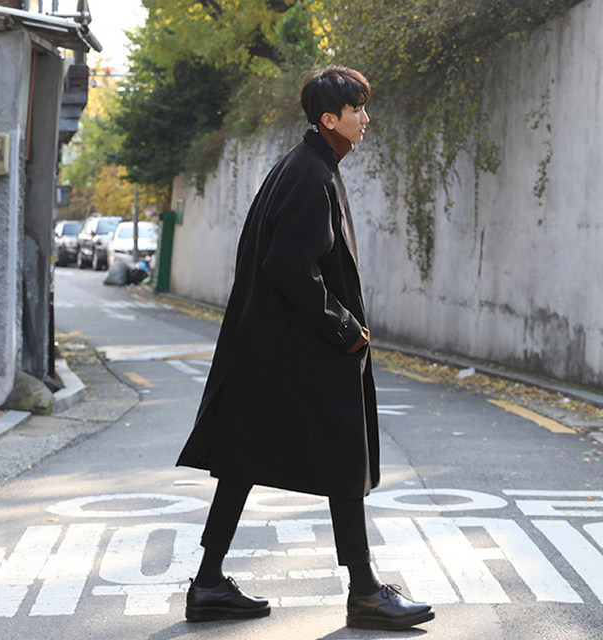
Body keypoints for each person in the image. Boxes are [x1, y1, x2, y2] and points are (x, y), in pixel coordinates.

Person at [176, 65, 434, 631]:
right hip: (301, 351)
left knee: (243, 457)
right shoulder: (309, 175)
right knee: (342, 458)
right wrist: (345, 329)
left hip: (271, 348)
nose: (366, 118)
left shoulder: (304, 166)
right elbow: (290, 267)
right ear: (329, 119)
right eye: (357, 109)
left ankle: (209, 583)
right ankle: (365, 593)